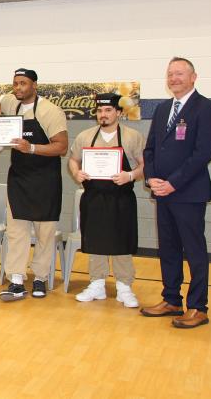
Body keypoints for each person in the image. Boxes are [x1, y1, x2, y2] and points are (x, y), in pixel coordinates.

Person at [140, 57, 211, 329]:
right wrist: (151, 178)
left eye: (180, 74)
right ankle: (171, 299)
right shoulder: (163, 109)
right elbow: (150, 149)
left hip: (188, 193)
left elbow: (203, 153)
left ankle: (198, 307)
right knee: (169, 248)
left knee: (194, 250)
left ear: (193, 77)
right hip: (162, 192)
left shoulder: (206, 108)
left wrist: (173, 182)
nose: (174, 78)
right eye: (170, 74)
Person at [68, 93, 145, 307]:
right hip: (93, 198)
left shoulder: (132, 136)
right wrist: (77, 174)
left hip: (121, 198)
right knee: (95, 241)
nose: (103, 114)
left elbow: (144, 165)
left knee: (122, 240)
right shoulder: (85, 136)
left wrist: (129, 175)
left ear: (118, 113)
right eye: (100, 111)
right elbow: (73, 161)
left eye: (108, 110)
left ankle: (124, 286)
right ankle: (97, 284)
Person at [0, 68, 68, 301]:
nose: (18, 88)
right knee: (16, 231)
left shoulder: (50, 111)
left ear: (34, 85)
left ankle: (40, 278)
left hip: (45, 180)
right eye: (15, 83)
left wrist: (33, 148)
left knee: (44, 233)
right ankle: (16, 279)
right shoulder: (10, 103)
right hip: (18, 178)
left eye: (23, 83)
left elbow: (61, 147)